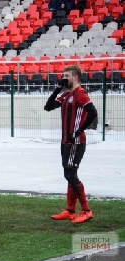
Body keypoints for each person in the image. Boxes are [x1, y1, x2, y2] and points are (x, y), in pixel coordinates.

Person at [44, 65, 98, 223]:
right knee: (69, 175)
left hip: (76, 141)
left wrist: (79, 131)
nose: (63, 78)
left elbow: (93, 113)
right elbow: (48, 107)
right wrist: (57, 89)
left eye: (66, 75)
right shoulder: (66, 94)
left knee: (70, 174)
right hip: (65, 141)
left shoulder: (80, 94)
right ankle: (70, 211)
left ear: (75, 77)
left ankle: (86, 210)